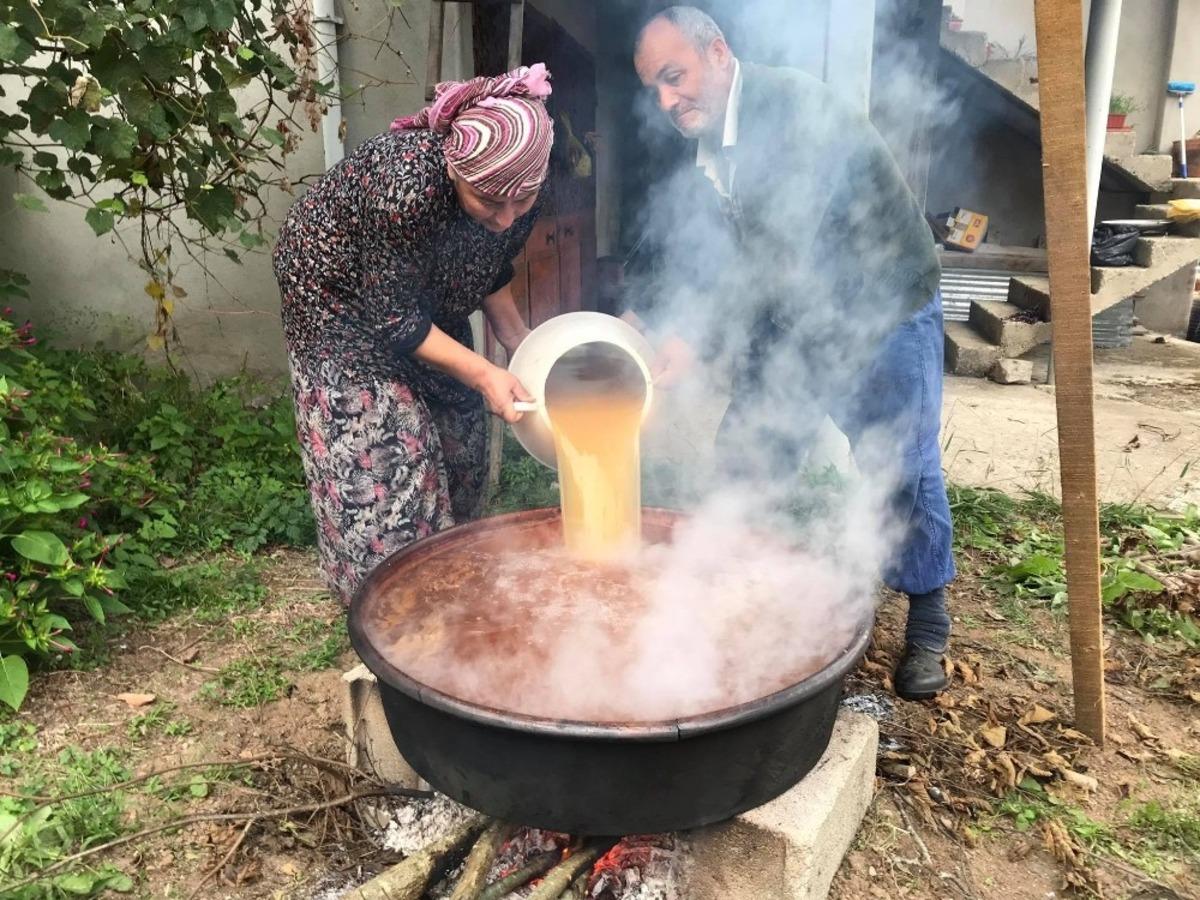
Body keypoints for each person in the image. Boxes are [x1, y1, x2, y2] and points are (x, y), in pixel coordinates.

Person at [629, 8, 955, 699]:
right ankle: (734, 587)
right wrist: (667, 319)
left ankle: (928, 621)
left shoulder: (792, 111)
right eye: (653, 87)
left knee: (899, 464)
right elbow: (720, 253)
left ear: (717, 54)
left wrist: (703, 337)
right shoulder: (713, 140)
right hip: (800, 312)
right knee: (752, 443)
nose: (665, 100)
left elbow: (780, 257)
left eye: (673, 76)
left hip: (882, 306)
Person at [273, 65, 554, 604]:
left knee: (460, 434)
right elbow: (396, 321)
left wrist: (521, 342)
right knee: (383, 456)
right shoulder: (406, 184)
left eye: (521, 201)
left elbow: (488, 259)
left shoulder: (521, 178)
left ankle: (452, 585)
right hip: (337, 304)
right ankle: (393, 611)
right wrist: (486, 372)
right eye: (489, 201)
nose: (507, 216)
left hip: (417, 292)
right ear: (453, 171)